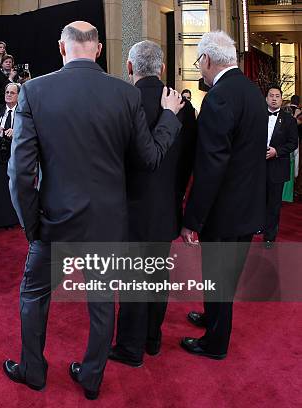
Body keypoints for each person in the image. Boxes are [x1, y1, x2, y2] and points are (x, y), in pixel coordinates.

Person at [4, 21, 183, 400]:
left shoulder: (34, 91)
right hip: (107, 221)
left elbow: (19, 174)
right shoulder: (124, 94)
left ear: (62, 48)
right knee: (102, 304)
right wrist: (169, 117)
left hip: (53, 220)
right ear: (99, 50)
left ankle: (33, 371)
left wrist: (32, 225)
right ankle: (91, 377)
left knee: (34, 296)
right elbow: (149, 158)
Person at [109, 40, 197, 367]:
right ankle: (152, 339)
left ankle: (130, 348)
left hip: (128, 208)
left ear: (130, 68)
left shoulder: (120, 103)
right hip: (165, 208)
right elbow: (190, 162)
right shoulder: (183, 107)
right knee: (158, 277)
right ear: (161, 68)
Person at [180, 31, 267, 359]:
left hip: (224, 211)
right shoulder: (252, 92)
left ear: (206, 59)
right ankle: (212, 318)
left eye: (198, 62)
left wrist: (192, 219)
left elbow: (210, 168)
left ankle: (214, 344)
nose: (199, 69)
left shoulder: (219, 97)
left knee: (219, 278)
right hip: (247, 207)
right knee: (222, 277)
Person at [264, 86, 298, 247]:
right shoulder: (258, 116)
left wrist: (276, 151)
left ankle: (270, 236)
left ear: (281, 99)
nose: (274, 98)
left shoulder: (289, 120)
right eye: (271, 95)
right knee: (258, 199)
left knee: (274, 203)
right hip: (258, 166)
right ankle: (257, 226)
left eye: (277, 96)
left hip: (277, 165)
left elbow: (293, 143)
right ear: (266, 98)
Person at [0, 82, 19, 164]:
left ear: (19, 96)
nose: (8, 95)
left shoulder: (23, 112)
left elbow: (29, 130)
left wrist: (16, 132)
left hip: (16, 154)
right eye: (7, 92)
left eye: (12, 93)